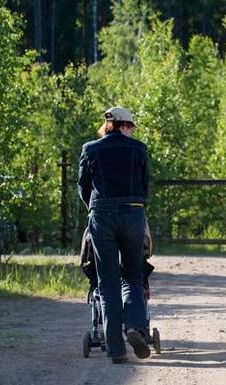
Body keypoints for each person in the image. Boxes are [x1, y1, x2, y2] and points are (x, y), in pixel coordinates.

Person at [77, 106, 151, 364]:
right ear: (124, 125)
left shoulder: (90, 149)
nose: (131, 131)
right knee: (132, 275)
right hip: (133, 213)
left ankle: (116, 349)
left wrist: (95, 208)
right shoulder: (139, 149)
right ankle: (133, 326)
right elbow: (145, 185)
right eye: (131, 126)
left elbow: (83, 187)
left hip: (102, 214)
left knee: (107, 281)